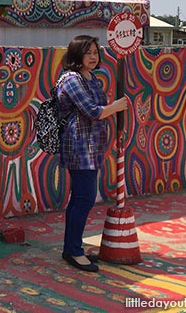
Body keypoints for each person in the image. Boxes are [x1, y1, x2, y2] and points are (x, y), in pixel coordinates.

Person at [57, 35, 128, 272]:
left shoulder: (92, 77)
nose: (93, 57)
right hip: (79, 147)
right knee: (84, 198)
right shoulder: (71, 79)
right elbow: (92, 111)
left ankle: (72, 247)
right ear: (76, 54)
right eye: (88, 52)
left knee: (80, 198)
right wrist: (116, 107)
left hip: (93, 146)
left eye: (95, 52)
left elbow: (100, 110)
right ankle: (74, 251)